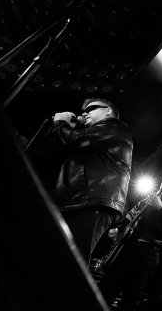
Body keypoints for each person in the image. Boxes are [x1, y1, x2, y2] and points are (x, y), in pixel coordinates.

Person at [50, 97, 133, 265]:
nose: (85, 113)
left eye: (91, 109)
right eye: (84, 110)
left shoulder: (114, 126)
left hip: (92, 201)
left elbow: (77, 140)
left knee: (72, 260)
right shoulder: (96, 134)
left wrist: (60, 124)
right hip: (80, 200)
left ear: (108, 111)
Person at [98, 172, 162, 311]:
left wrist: (161, 208)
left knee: (131, 298)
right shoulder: (145, 201)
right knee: (106, 289)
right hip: (127, 249)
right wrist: (117, 229)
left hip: (147, 255)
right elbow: (127, 219)